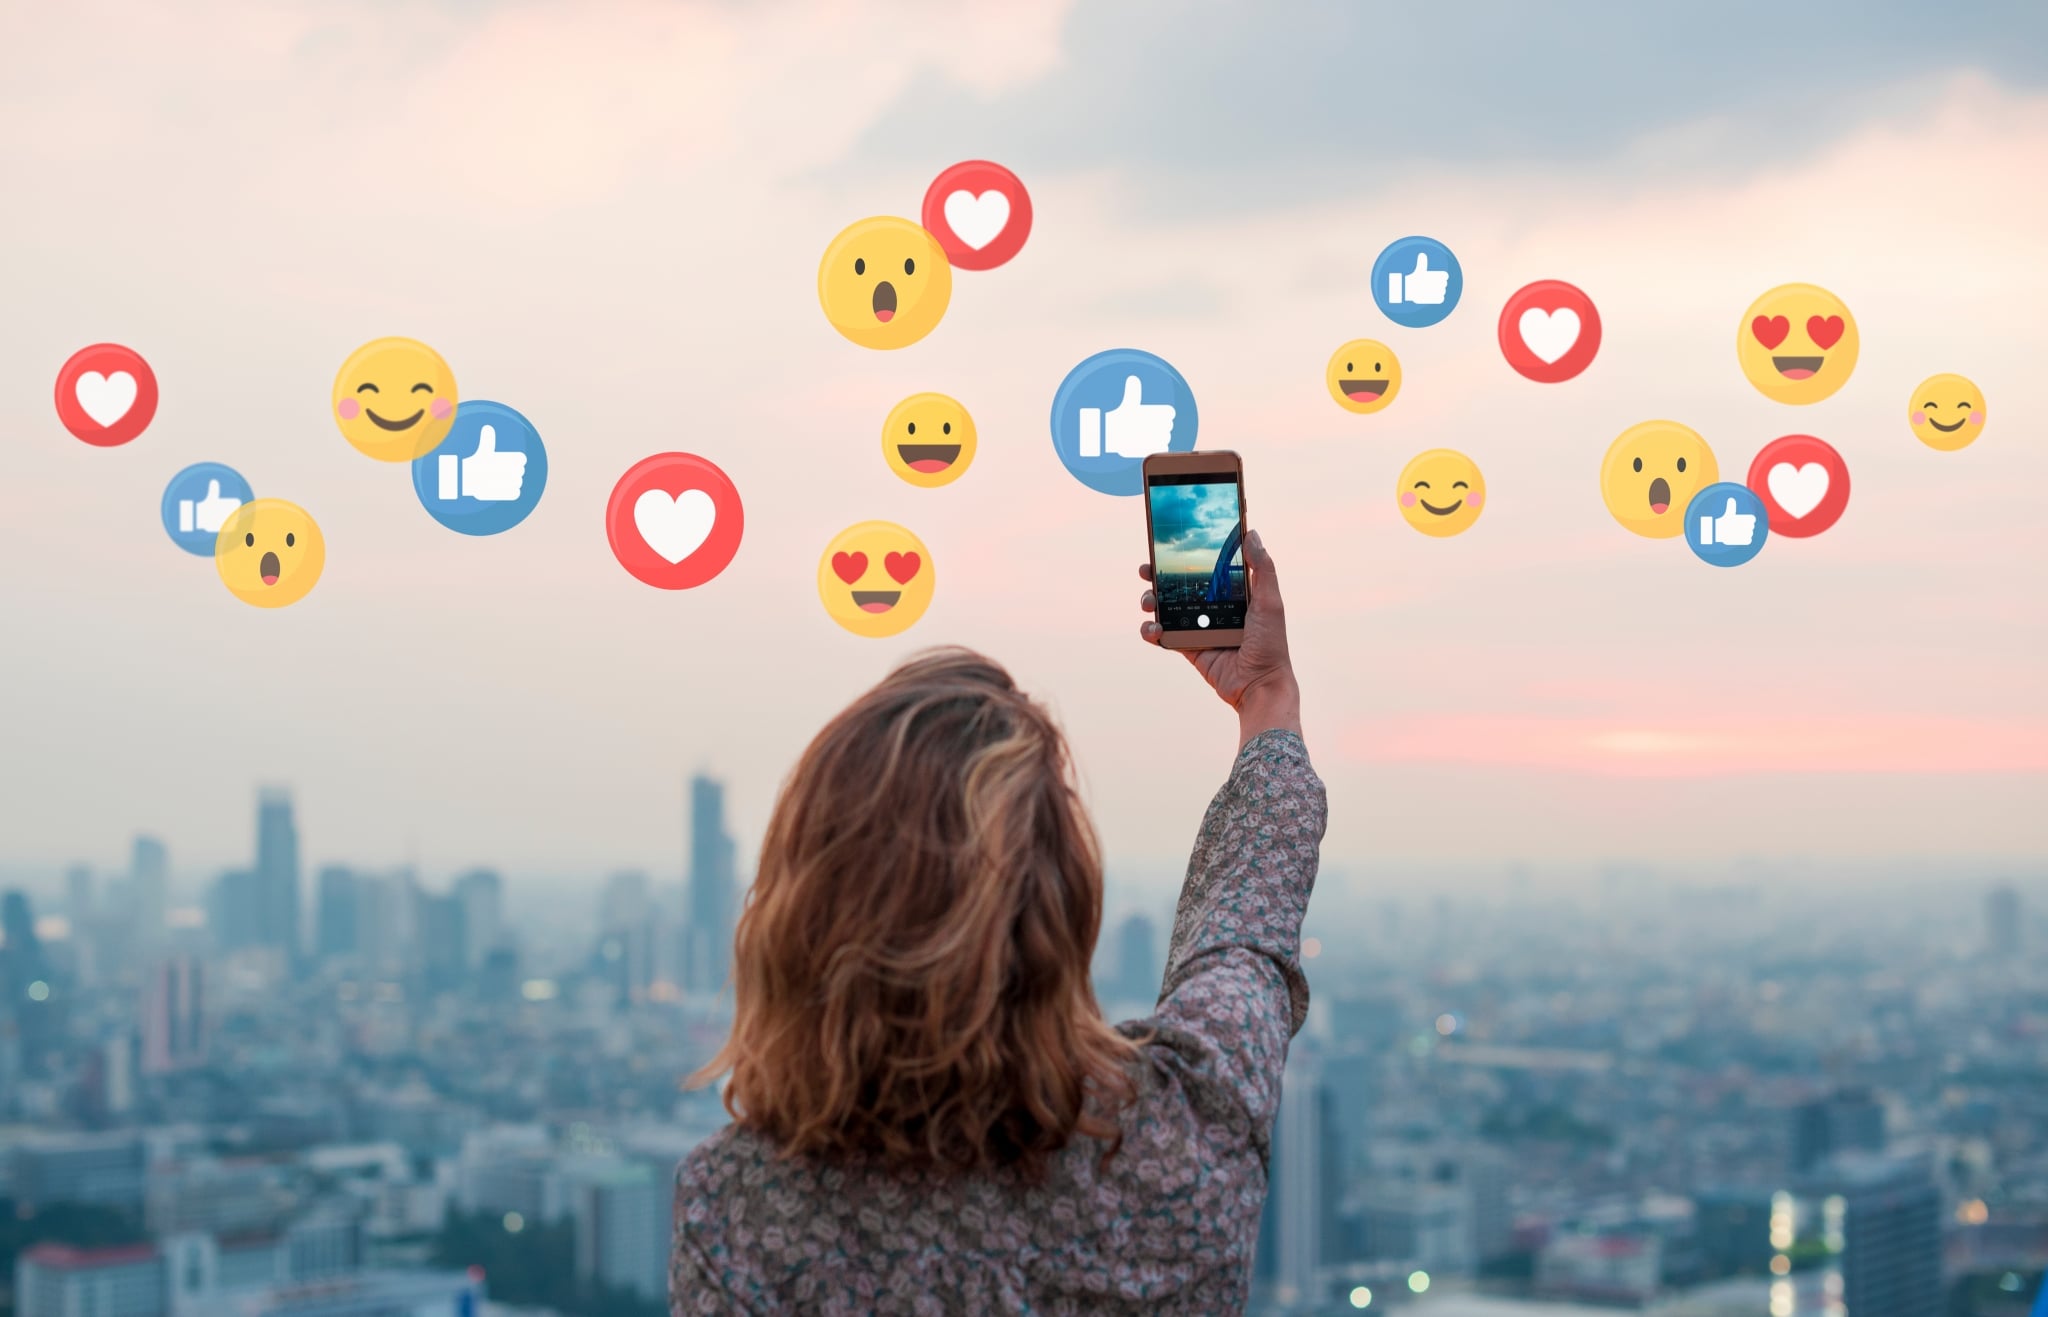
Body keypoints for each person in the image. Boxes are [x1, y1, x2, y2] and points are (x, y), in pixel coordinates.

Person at [671, 531, 1325, 1315]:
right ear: (1062, 904)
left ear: (803, 913)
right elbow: (1244, 932)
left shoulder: (740, 1212)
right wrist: (1267, 697)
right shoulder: (1176, 1138)